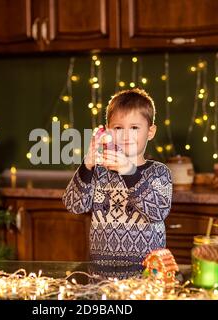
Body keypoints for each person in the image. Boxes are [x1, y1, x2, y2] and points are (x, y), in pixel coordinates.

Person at [62, 88, 173, 279]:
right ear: (108, 132)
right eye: (118, 128)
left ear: (150, 132)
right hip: (100, 276)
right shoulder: (99, 171)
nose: (126, 135)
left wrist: (129, 171)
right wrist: (87, 164)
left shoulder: (159, 172)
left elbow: (158, 212)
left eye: (135, 128)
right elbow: (74, 206)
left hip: (146, 275)